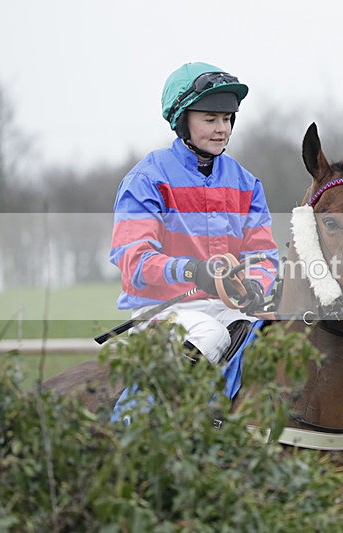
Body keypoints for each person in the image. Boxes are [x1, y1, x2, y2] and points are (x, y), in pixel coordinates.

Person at [109, 62, 278, 366]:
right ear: (182, 121)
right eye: (210, 119)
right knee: (210, 335)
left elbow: (264, 256)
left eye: (227, 119)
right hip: (160, 312)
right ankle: (148, 412)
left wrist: (254, 284)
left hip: (227, 309)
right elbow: (133, 260)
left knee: (272, 335)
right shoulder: (146, 179)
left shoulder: (246, 184)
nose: (221, 129)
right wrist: (193, 271)